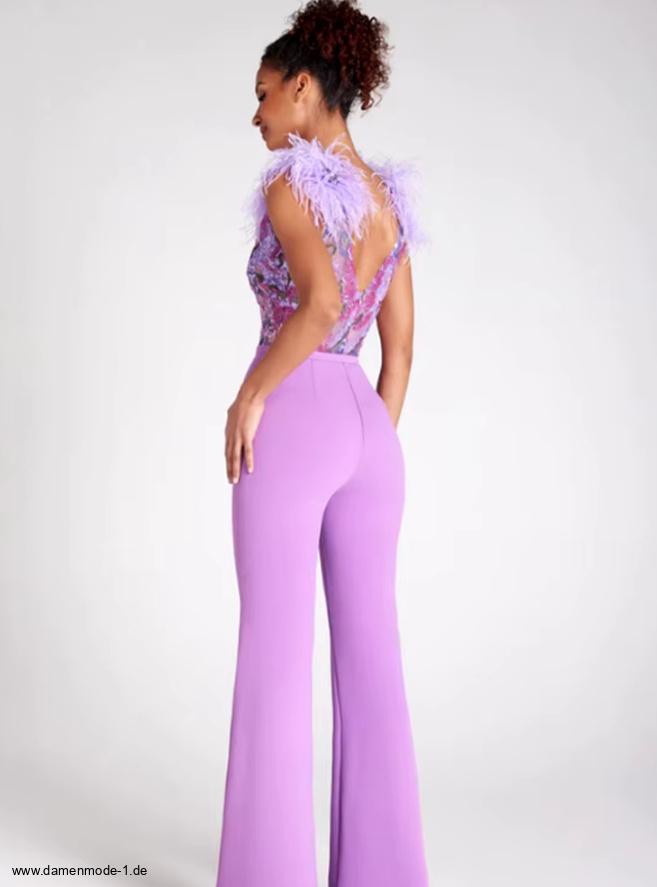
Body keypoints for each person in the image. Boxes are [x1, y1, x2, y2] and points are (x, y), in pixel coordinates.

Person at [215, 1, 430, 885]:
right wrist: (362, 441)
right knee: (372, 660)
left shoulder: (290, 185)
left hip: (297, 416)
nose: (257, 113)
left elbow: (320, 305)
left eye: (264, 92)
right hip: (370, 435)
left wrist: (251, 395)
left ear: (303, 88)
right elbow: (399, 350)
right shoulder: (386, 200)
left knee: (274, 655)